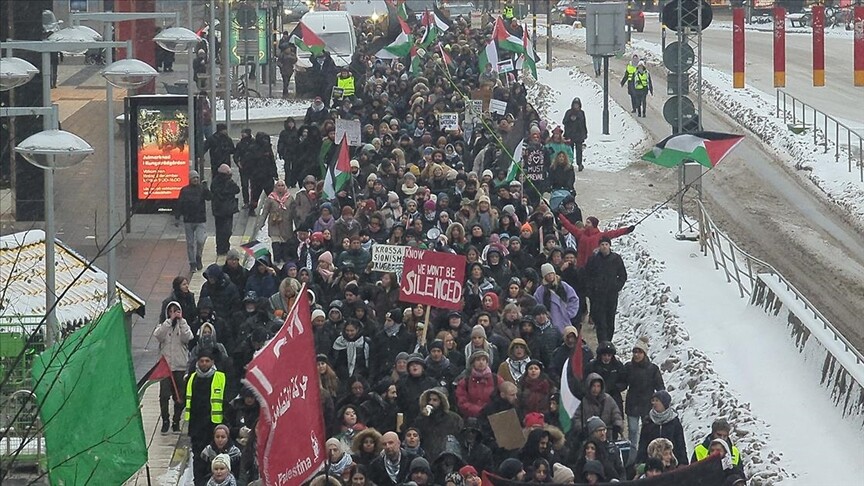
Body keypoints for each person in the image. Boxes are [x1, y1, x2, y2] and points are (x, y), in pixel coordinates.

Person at [154, 301, 193, 434]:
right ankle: (165, 420)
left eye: (176, 311)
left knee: (180, 395)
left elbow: (188, 338)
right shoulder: (164, 325)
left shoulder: (183, 325)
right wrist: (169, 321)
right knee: (164, 395)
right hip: (166, 366)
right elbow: (158, 335)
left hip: (180, 366)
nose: (173, 313)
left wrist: (181, 321)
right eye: (171, 311)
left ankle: (176, 420)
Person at [186, 351, 228, 472]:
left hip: (214, 427)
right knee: (198, 461)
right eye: (202, 361)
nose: (204, 364)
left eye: (207, 361)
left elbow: (226, 400)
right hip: (196, 428)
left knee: (215, 462)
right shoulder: (192, 378)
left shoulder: (220, 377)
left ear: (212, 362)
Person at [623, 337, 664, 451]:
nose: (637, 355)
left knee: (648, 431)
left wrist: (660, 401)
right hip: (632, 403)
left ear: (644, 354)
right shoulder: (628, 367)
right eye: (635, 352)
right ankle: (632, 454)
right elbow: (622, 382)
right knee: (632, 431)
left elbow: (660, 386)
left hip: (647, 405)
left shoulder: (653, 369)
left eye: (639, 352)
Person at [584, 236, 627, 343]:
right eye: (602, 245)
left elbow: (622, 275)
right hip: (597, 296)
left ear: (609, 246)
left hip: (611, 296)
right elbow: (587, 275)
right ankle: (602, 344)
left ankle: (608, 342)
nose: (604, 247)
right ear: (599, 246)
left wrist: (616, 286)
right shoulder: (593, 259)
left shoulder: (616, 259)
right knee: (600, 323)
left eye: (606, 244)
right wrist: (590, 290)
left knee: (610, 322)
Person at [176, 170, 212, 273]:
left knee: (200, 241)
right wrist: (177, 217)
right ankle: (192, 263)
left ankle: (198, 256)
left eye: (197, 178)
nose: (196, 180)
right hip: (188, 220)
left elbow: (209, 198)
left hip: (200, 219)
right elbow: (180, 203)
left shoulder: (202, 189)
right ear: (190, 179)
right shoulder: (184, 190)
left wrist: (206, 188)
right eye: (193, 178)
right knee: (190, 243)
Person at [533, 263, 579, 332]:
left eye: (552, 273)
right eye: (548, 274)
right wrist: (543, 316)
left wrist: (569, 313)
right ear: (544, 276)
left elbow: (574, 299)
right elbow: (536, 304)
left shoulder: (563, 286)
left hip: (564, 320)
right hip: (549, 321)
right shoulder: (540, 290)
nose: (550, 276)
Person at [260, 180, 297, 264]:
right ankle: (276, 260)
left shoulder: (290, 198)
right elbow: (265, 211)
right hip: (274, 225)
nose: (280, 187)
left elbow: (294, 212)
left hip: (286, 226)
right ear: (275, 187)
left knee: (285, 247)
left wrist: (297, 225)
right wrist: (261, 223)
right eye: (278, 186)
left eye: (282, 185)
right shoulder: (270, 198)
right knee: (275, 244)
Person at [210, 164, 240, 256]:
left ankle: (223, 247)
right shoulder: (219, 183)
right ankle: (222, 248)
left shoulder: (221, 182)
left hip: (224, 211)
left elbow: (237, 190)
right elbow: (236, 190)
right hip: (223, 211)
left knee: (224, 230)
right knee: (223, 230)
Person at [562, 98, 587, 171]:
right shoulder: (569, 112)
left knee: (579, 150)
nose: (576, 106)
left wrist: (585, 133)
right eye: (575, 104)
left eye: (577, 105)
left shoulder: (581, 113)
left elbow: (583, 123)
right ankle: (570, 163)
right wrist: (570, 119)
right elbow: (564, 122)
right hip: (570, 134)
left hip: (579, 135)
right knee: (570, 150)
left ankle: (579, 164)